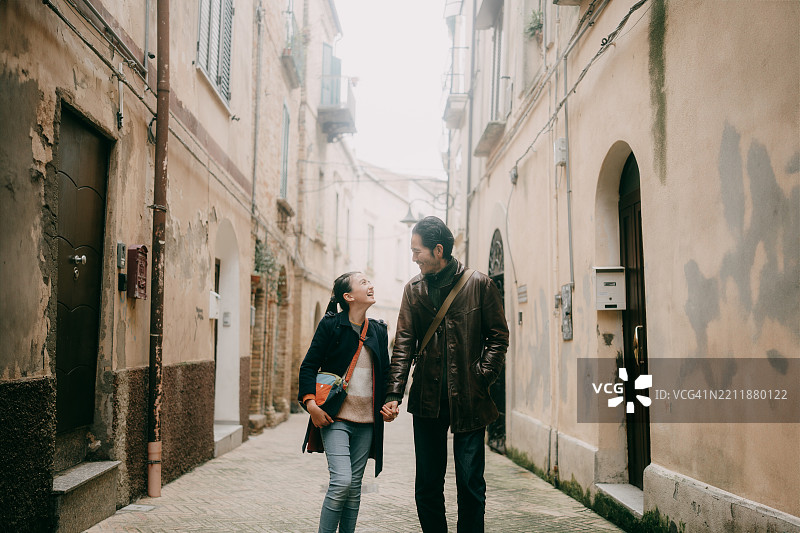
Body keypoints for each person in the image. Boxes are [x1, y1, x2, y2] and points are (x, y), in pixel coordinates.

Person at [380, 216, 509, 533]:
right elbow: (404, 344)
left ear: (438, 250)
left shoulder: (480, 285)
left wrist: (482, 375)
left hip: (470, 398)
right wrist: (394, 394)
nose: (413, 258)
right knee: (427, 483)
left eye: (417, 250)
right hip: (427, 399)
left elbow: (498, 338)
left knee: (469, 482)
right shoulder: (413, 290)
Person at [298, 272, 391, 533]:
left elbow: (385, 374)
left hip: (367, 422)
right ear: (348, 297)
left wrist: (391, 402)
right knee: (341, 482)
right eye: (363, 283)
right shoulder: (331, 325)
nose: (370, 285)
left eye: (369, 281)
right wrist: (311, 405)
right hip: (334, 417)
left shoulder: (378, 331)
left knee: (354, 489)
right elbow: (308, 367)